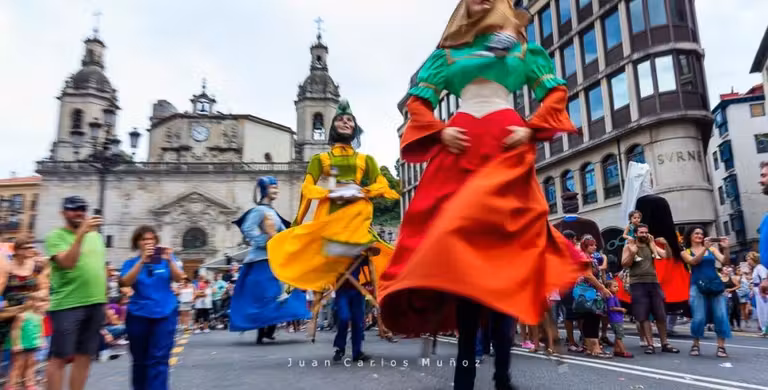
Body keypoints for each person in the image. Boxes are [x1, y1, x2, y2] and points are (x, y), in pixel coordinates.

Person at [378, 2, 585, 388]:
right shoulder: (447, 54)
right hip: (461, 147)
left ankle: (503, 372)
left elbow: (555, 93)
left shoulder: (525, 50)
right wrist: (439, 131)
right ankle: (466, 374)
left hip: (505, 144)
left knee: (507, 267)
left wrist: (533, 128)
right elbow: (418, 104)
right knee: (463, 265)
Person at [267, 99, 398, 361]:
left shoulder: (366, 160)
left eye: (349, 119)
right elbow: (307, 190)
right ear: (333, 127)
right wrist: (326, 197)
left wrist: (362, 191)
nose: (345, 122)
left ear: (355, 128)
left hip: (360, 228)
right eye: (340, 119)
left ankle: (358, 348)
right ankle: (340, 345)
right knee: (346, 296)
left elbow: (383, 185)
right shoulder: (321, 159)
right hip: (334, 231)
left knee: (361, 293)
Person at [230, 176, 310, 344]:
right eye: (273, 187)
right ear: (265, 190)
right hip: (262, 260)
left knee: (282, 293)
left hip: (275, 259)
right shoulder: (260, 211)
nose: (276, 190)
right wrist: (265, 239)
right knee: (266, 294)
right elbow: (247, 228)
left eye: (277, 187)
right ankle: (262, 331)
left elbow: (280, 234)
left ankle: (270, 329)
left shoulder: (272, 212)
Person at [44, 196, 107, 390]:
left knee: (85, 356)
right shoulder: (55, 236)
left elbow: (99, 268)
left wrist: (104, 300)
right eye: (73, 209)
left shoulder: (96, 237)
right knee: (59, 358)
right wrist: (81, 233)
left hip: (95, 303)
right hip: (68, 304)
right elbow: (67, 263)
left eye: (82, 208)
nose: (79, 212)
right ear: (63, 213)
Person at [120, 225, 184, 390]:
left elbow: (179, 278)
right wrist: (142, 260)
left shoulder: (166, 261)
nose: (148, 242)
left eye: (151, 239)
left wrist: (170, 260)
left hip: (165, 313)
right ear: (137, 243)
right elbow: (125, 282)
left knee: (159, 358)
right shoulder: (131, 263)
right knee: (140, 359)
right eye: (144, 239)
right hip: (138, 314)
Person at [621, 224, 679, 355]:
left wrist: (666, 244)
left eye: (646, 232)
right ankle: (650, 344)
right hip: (637, 283)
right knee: (643, 316)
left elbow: (667, 256)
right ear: (635, 234)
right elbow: (624, 263)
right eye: (641, 232)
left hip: (653, 282)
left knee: (661, 314)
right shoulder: (628, 246)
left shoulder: (651, 245)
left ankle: (665, 343)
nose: (644, 234)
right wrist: (633, 253)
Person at [680, 227, 731, 357]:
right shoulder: (685, 252)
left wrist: (725, 248)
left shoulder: (712, 249)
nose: (700, 235)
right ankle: (695, 344)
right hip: (697, 285)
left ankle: (721, 347)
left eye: (702, 234)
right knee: (699, 317)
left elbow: (724, 261)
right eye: (696, 233)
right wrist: (704, 248)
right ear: (690, 236)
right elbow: (693, 261)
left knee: (720, 315)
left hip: (715, 284)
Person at [7, 293, 47, 389]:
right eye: (38, 301)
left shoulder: (40, 316)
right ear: (31, 302)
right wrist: (17, 344)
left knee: (31, 364)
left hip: (33, 344)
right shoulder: (22, 316)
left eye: (43, 301)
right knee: (17, 365)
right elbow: (15, 330)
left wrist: (42, 340)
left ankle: (30, 383)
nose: (41, 304)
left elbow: (41, 329)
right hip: (22, 345)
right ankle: (11, 385)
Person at [605, 280, 632, 358]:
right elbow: (611, 308)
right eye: (615, 287)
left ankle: (616, 350)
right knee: (619, 336)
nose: (617, 288)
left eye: (617, 287)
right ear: (608, 288)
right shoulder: (610, 297)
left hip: (617, 318)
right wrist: (621, 309)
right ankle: (623, 351)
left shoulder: (614, 296)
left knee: (617, 336)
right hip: (615, 319)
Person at [747, 252, 768, 336]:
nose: (747, 261)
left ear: (753, 259)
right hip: (757, 292)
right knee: (760, 311)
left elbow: (764, 280)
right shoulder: (755, 268)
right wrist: (752, 291)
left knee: (765, 310)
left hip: (761, 292)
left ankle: (765, 328)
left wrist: (762, 292)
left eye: (748, 259)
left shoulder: (760, 268)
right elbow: (754, 282)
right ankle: (764, 329)